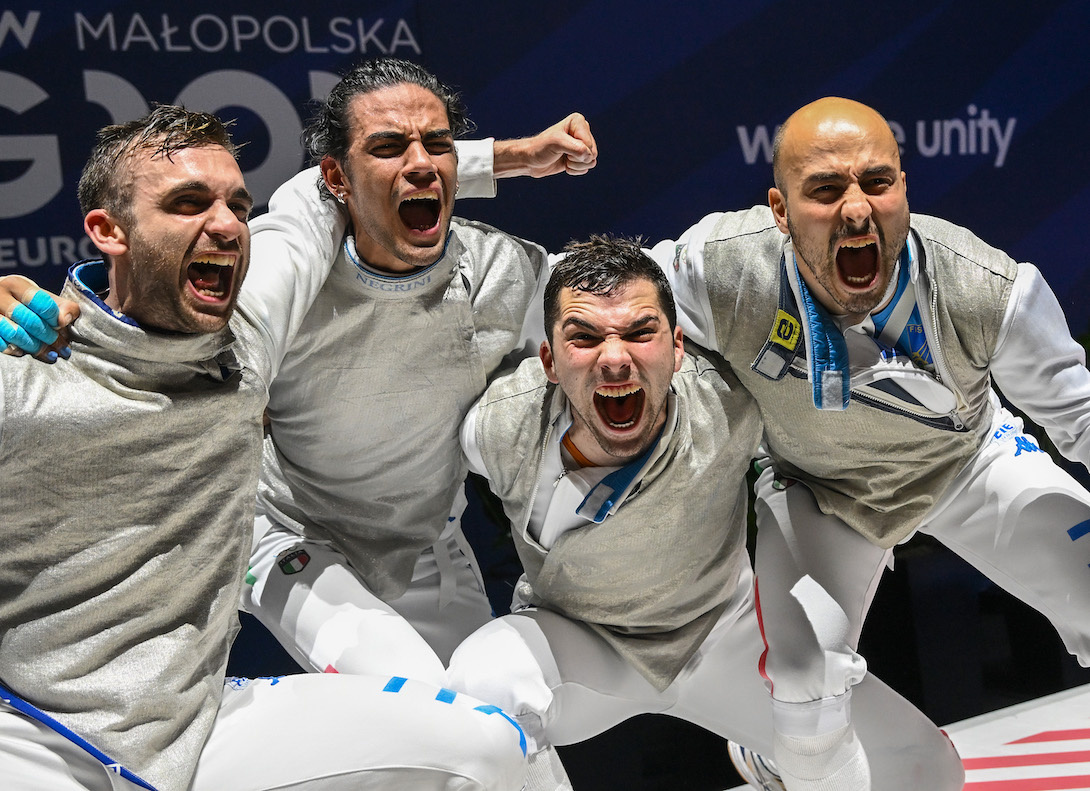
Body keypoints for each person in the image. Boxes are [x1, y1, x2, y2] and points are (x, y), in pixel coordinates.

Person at [0, 105, 528, 791]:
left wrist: (495, 159)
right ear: (108, 231)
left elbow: (320, 192)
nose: (224, 225)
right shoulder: (24, 378)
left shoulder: (247, 337)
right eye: (188, 203)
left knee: (487, 745)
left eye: (235, 204)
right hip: (37, 737)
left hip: (201, 730)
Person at [647, 96, 1090, 789]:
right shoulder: (720, 268)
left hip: (965, 463)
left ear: (903, 187)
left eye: (877, 183)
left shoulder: (987, 287)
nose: (857, 209)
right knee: (804, 684)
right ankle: (774, 754)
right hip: (820, 489)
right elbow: (604, 304)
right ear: (779, 209)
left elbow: (1081, 412)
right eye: (825, 191)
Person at [446, 235, 965, 791]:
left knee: (924, 771)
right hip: (581, 647)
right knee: (480, 693)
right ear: (547, 360)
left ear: (677, 347)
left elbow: (837, 456)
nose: (615, 358)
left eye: (640, 332)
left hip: (725, 635)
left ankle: (772, 757)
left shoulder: (731, 397)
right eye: (585, 338)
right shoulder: (494, 430)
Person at [238, 57, 596, 693]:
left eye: (438, 145)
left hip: (426, 542)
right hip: (293, 534)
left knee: (506, 728)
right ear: (335, 180)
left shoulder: (497, 271)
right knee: (418, 697)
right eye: (387, 146)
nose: (422, 162)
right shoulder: (290, 255)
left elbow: (616, 301)